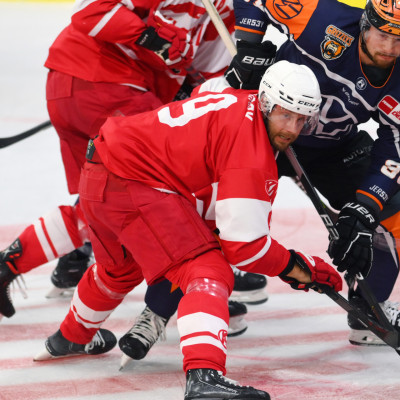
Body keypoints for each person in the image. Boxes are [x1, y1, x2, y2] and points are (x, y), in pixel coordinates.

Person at [33, 60, 342, 400]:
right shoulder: (251, 154)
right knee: (207, 270)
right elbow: (245, 248)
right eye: (286, 115)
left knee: (118, 270)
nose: (292, 129)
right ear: (267, 103)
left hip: (98, 174)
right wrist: (299, 266)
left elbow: (204, 91)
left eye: (302, 119)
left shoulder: (237, 97)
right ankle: (204, 375)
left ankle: (70, 337)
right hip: (131, 183)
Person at [0, 0, 264, 324]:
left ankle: (10, 263)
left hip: (74, 86)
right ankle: (186, 288)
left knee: (102, 201)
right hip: (108, 86)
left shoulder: (222, 11)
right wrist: (149, 37)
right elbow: (91, 10)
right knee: (171, 191)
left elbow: (206, 80)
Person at [229, 0, 400, 346]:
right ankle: (211, 291)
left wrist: (363, 209)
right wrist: (249, 45)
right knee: (218, 204)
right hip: (265, 128)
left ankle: (368, 311)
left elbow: (396, 157)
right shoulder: (321, 19)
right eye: (384, 35)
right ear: (365, 24)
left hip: (332, 147)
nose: (390, 48)